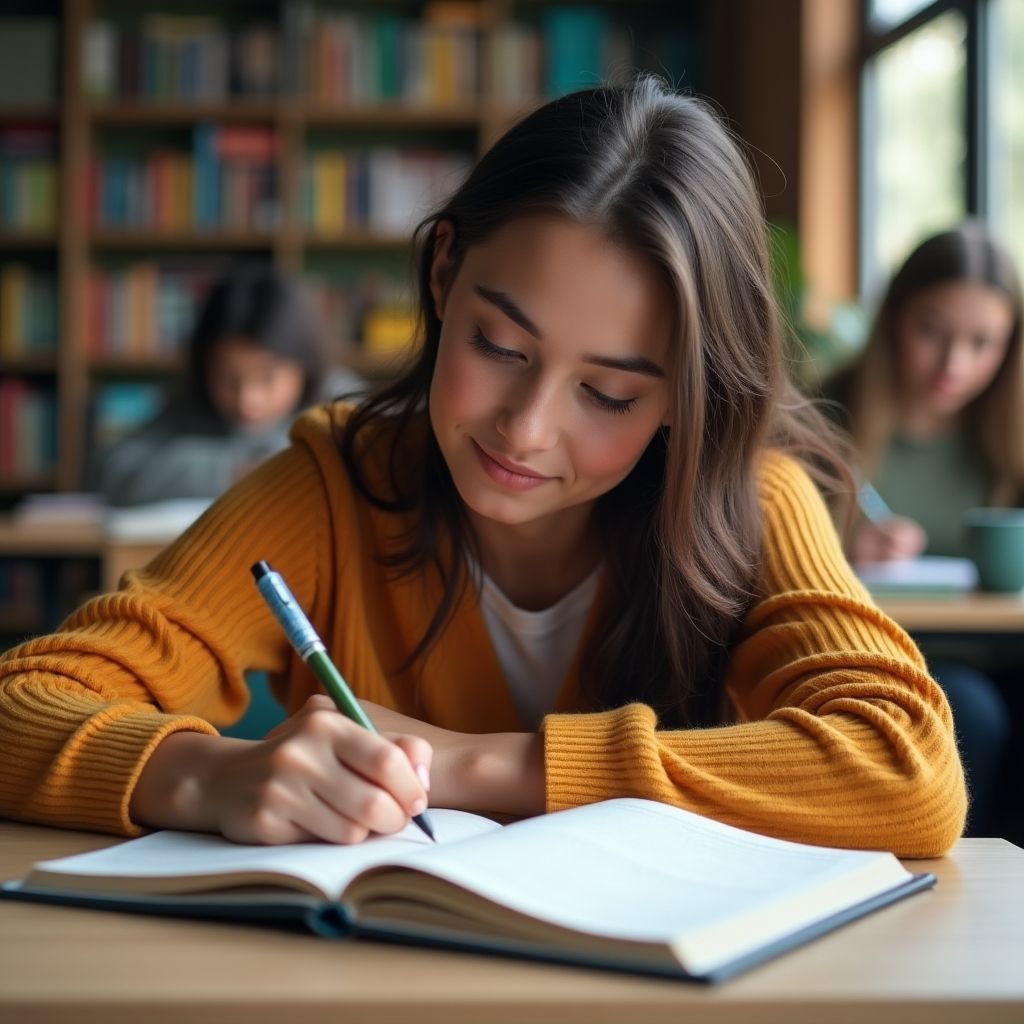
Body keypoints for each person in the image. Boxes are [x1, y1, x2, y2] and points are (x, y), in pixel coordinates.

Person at [0, 77, 965, 856]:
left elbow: (907, 769)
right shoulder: (336, 482)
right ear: (443, 273)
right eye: (500, 346)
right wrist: (210, 775)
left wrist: (467, 766)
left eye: (611, 395)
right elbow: (21, 705)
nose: (527, 430)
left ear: (686, 395)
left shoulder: (751, 502)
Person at [824, 223, 1023, 837]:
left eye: (982, 343)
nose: (954, 364)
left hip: (1002, 654)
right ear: (893, 320)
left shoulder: (1010, 435)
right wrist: (839, 543)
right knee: (971, 712)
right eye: (932, 331)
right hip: (879, 660)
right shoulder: (823, 418)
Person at [95, 264, 329, 506]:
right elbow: (114, 474)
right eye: (228, 378)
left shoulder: (340, 408)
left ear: (305, 366)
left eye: (267, 378)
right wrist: (235, 472)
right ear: (205, 366)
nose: (247, 400)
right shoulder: (191, 407)